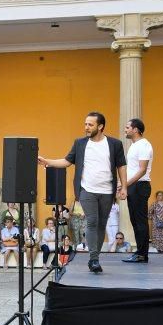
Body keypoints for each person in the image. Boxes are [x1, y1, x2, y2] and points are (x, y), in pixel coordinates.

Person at [38, 112, 128, 274]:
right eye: (85, 124)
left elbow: (121, 166)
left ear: (100, 126)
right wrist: (48, 162)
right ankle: (93, 259)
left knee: (101, 224)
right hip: (87, 190)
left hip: (107, 191)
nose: (86, 127)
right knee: (92, 222)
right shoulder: (80, 143)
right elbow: (67, 161)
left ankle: (95, 256)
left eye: (90, 125)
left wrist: (124, 187)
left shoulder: (115, 144)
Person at [123, 118, 153, 263]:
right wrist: (124, 184)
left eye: (128, 127)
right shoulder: (134, 145)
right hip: (133, 186)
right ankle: (140, 252)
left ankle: (142, 254)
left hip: (140, 186)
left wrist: (125, 184)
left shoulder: (144, 145)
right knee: (135, 221)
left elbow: (142, 170)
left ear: (136, 129)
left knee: (140, 221)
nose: (125, 129)